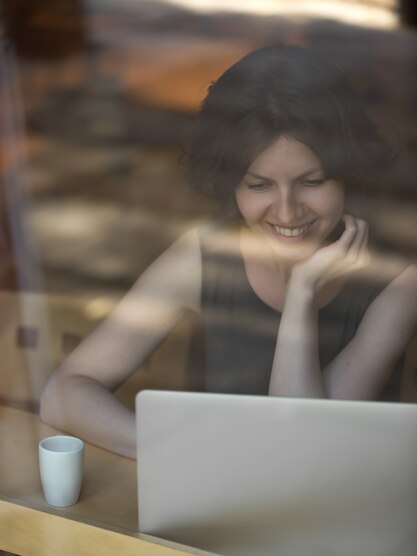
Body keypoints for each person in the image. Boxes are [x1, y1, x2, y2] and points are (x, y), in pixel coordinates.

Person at [40, 46, 417, 459]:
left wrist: (301, 295)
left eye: (313, 182)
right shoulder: (204, 256)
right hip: (218, 510)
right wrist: (173, 453)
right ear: (231, 183)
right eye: (259, 185)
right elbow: (62, 394)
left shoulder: (398, 281)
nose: (288, 211)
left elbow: (301, 453)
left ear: (347, 174)